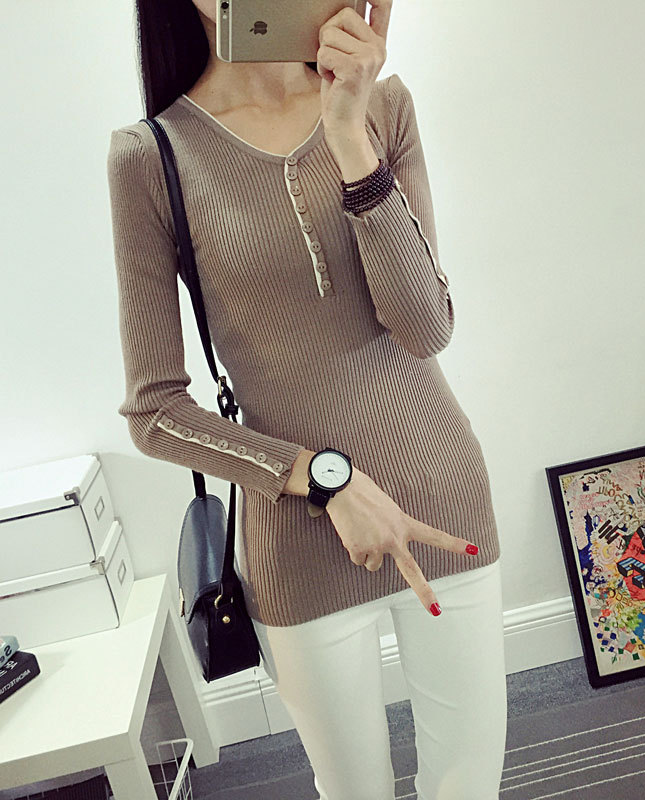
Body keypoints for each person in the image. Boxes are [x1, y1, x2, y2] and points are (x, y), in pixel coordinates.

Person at [106, 0, 506, 797]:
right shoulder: (151, 157)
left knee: (468, 787)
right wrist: (327, 480)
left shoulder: (383, 107)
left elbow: (425, 327)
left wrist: (349, 135)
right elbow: (156, 413)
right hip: (299, 546)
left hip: (444, 500)